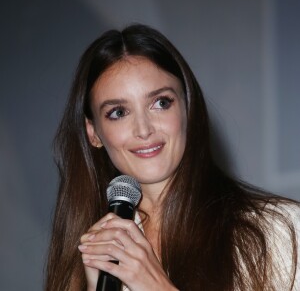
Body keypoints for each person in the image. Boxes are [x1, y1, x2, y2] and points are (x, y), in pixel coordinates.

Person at [45, 24, 300, 291]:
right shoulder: (88, 251)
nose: (144, 130)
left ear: (188, 106)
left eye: (160, 103)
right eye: (119, 112)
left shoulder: (281, 231)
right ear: (93, 132)